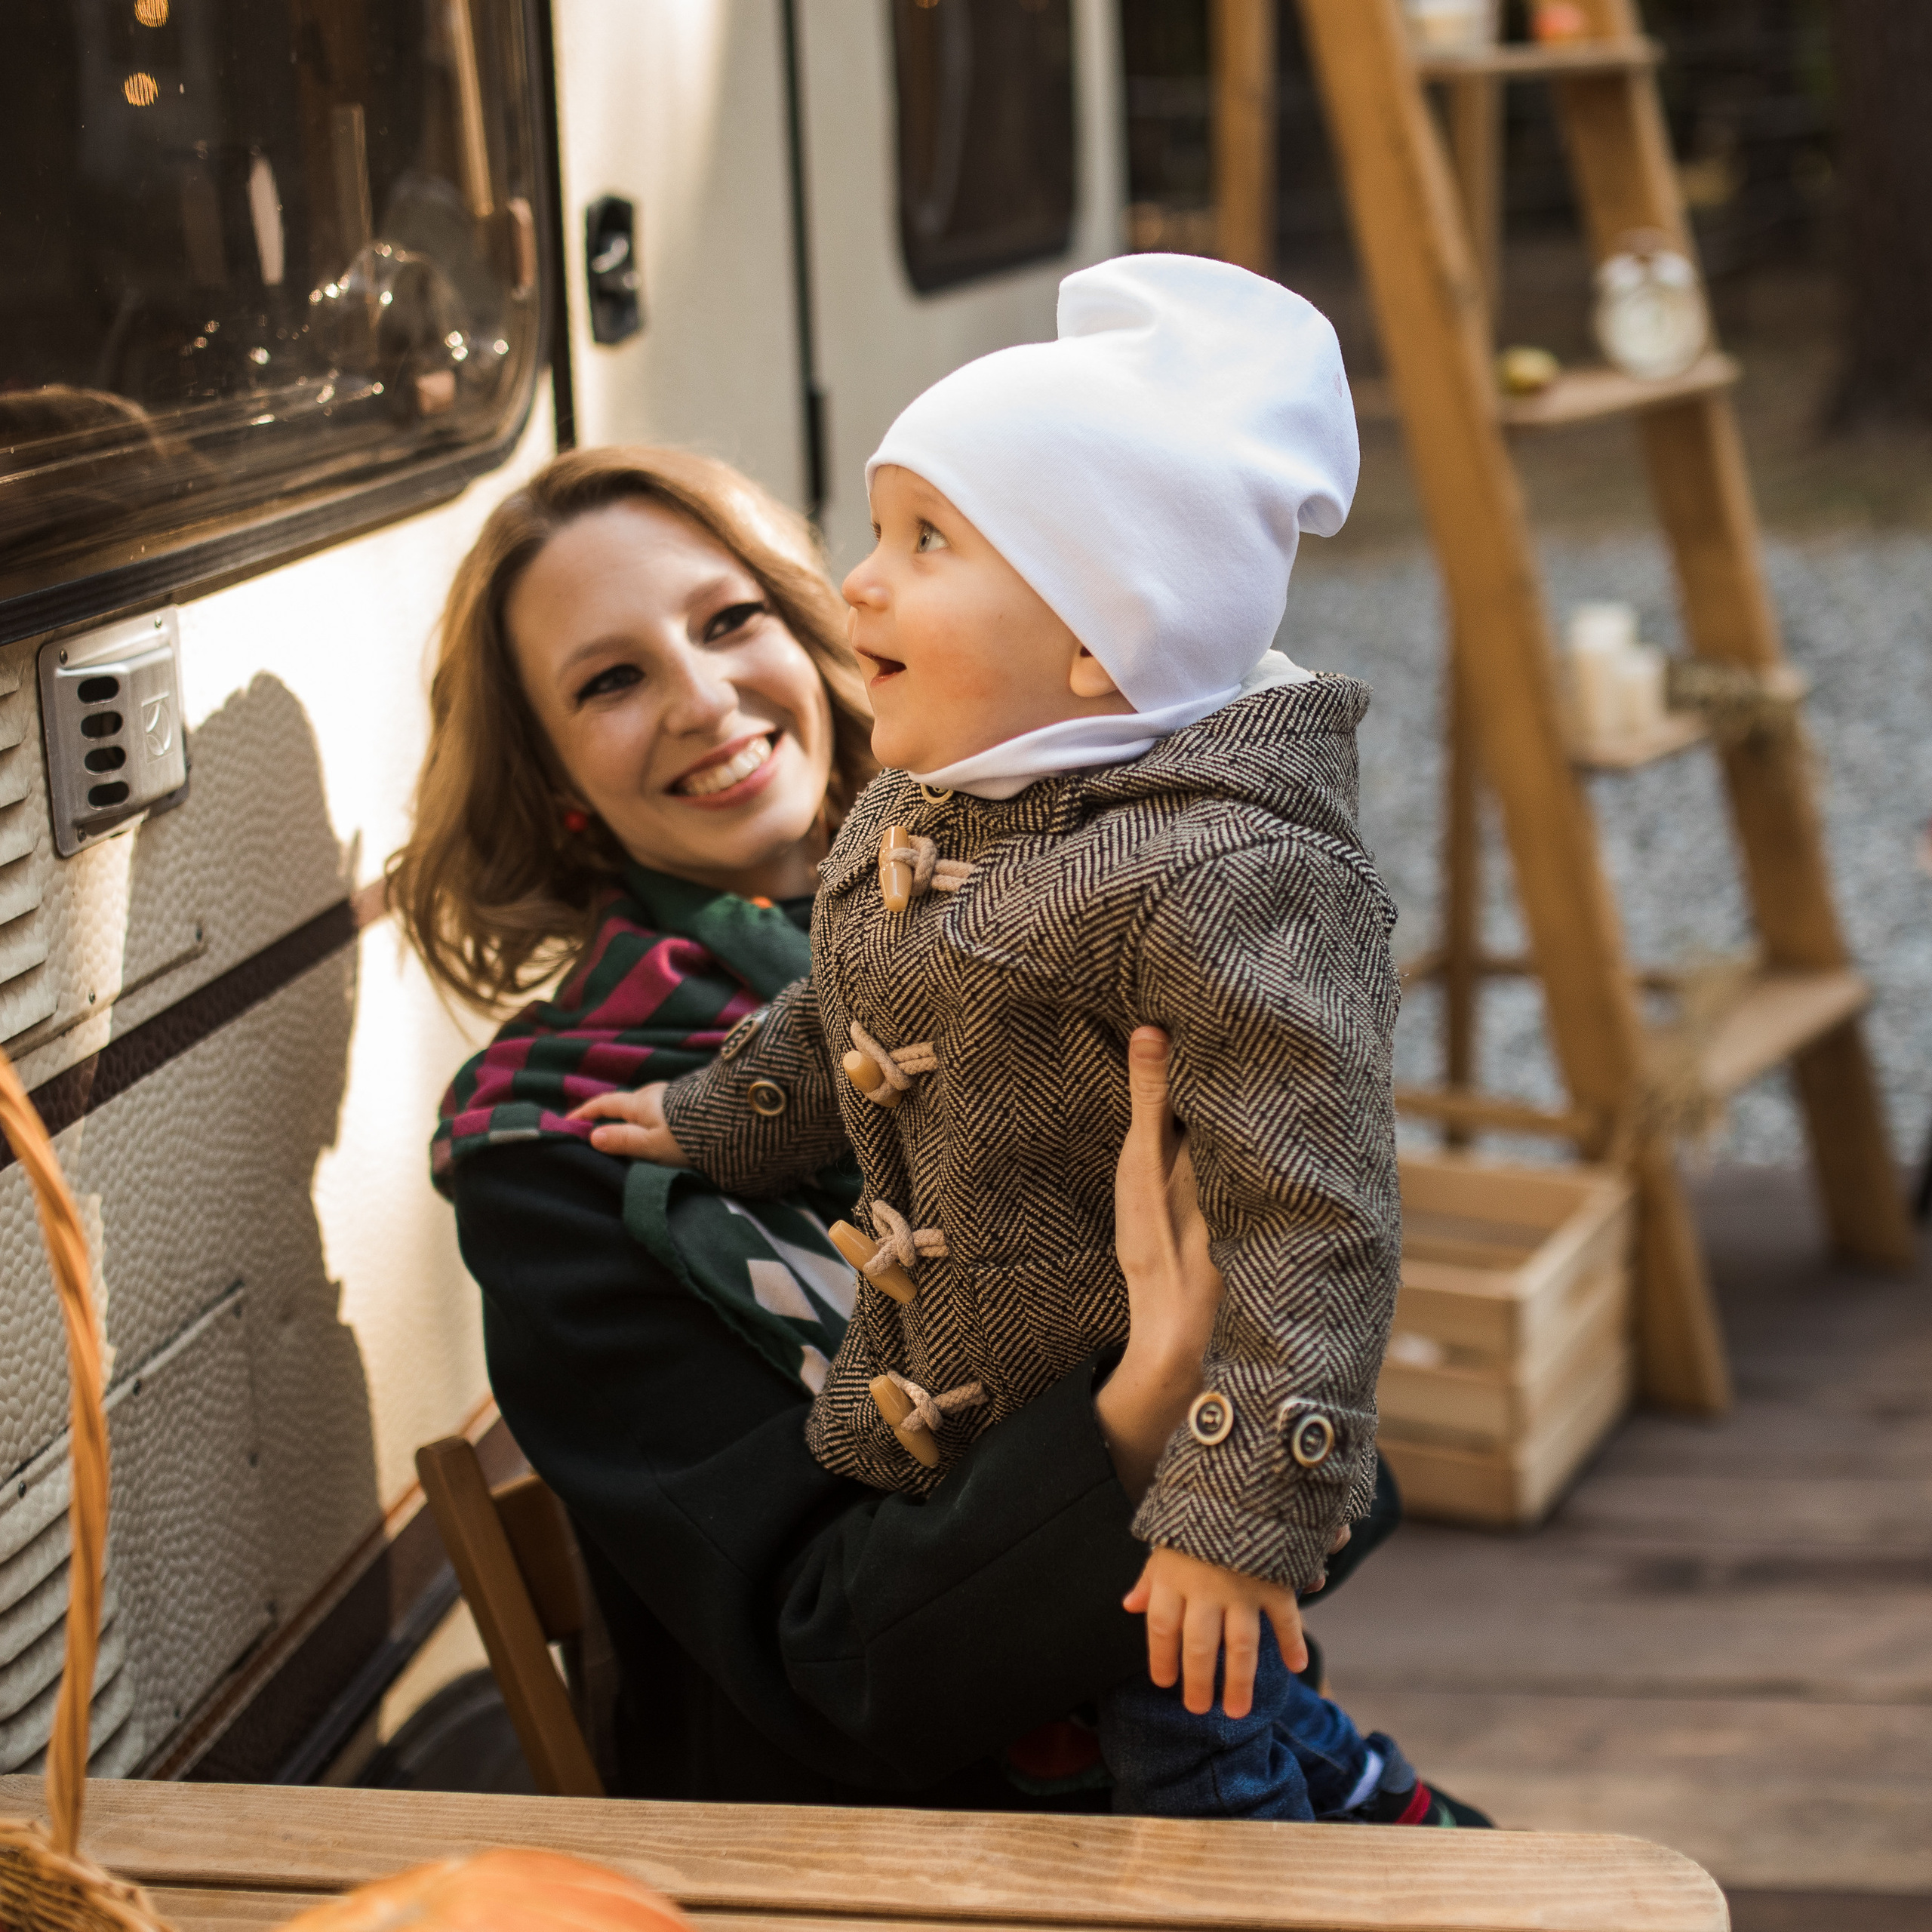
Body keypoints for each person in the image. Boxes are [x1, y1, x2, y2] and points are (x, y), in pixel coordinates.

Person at [392, 441, 1476, 1823]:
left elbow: (1343, 1467)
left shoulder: (1094, 923)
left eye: (734, 623)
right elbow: (843, 1670)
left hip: (1224, 1713)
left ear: (831, 639)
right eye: (611, 681)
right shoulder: (555, 1153)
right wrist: (1147, 1401)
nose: (704, 696)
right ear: (554, 782)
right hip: (887, 1850)